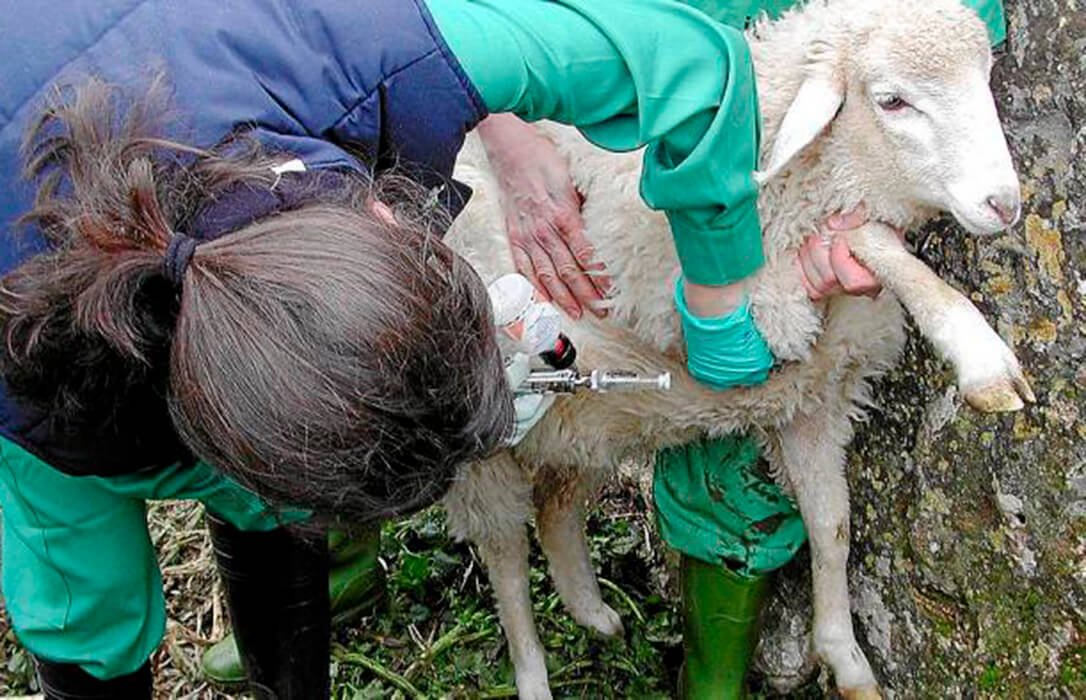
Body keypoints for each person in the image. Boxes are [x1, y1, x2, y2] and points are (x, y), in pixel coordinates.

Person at [0, 0, 864, 697]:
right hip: (47, 387)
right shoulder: (42, 391)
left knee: (272, 491)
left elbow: (696, 70)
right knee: (83, 600)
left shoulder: (374, 43)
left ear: (388, 213)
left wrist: (714, 308)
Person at [475, 1, 1008, 698]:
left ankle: (737, 669)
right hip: (605, 125)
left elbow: (945, 44)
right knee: (538, 421)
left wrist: (872, 198)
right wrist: (503, 127)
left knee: (773, 406)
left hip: (800, 143)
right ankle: (536, 651)